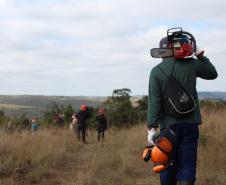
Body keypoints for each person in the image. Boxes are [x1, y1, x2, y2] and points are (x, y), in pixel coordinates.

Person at [147, 29, 218, 185]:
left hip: (168, 127)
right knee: (187, 165)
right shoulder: (192, 64)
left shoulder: (156, 72)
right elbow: (213, 73)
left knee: (166, 164)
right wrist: (200, 55)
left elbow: (155, 101)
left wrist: (151, 128)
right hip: (191, 124)